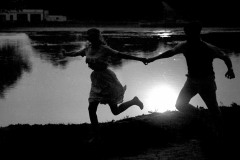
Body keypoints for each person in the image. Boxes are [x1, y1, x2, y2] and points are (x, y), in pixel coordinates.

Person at [147, 21, 235, 124]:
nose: (187, 35)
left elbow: (224, 56)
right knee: (180, 105)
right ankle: (202, 116)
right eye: (186, 33)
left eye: (189, 33)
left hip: (206, 82)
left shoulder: (207, 48)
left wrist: (230, 69)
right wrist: (153, 58)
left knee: (214, 110)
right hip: (191, 81)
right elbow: (171, 52)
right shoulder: (185, 46)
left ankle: (220, 132)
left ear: (197, 33)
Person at [60, 28, 145, 131]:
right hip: (96, 79)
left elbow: (121, 55)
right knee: (91, 108)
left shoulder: (104, 48)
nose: (90, 38)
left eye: (92, 36)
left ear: (96, 37)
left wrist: (141, 59)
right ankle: (96, 134)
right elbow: (77, 53)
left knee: (115, 111)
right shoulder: (88, 48)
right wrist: (66, 54)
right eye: (89, 37)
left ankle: (133, 101)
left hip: (107, 80)